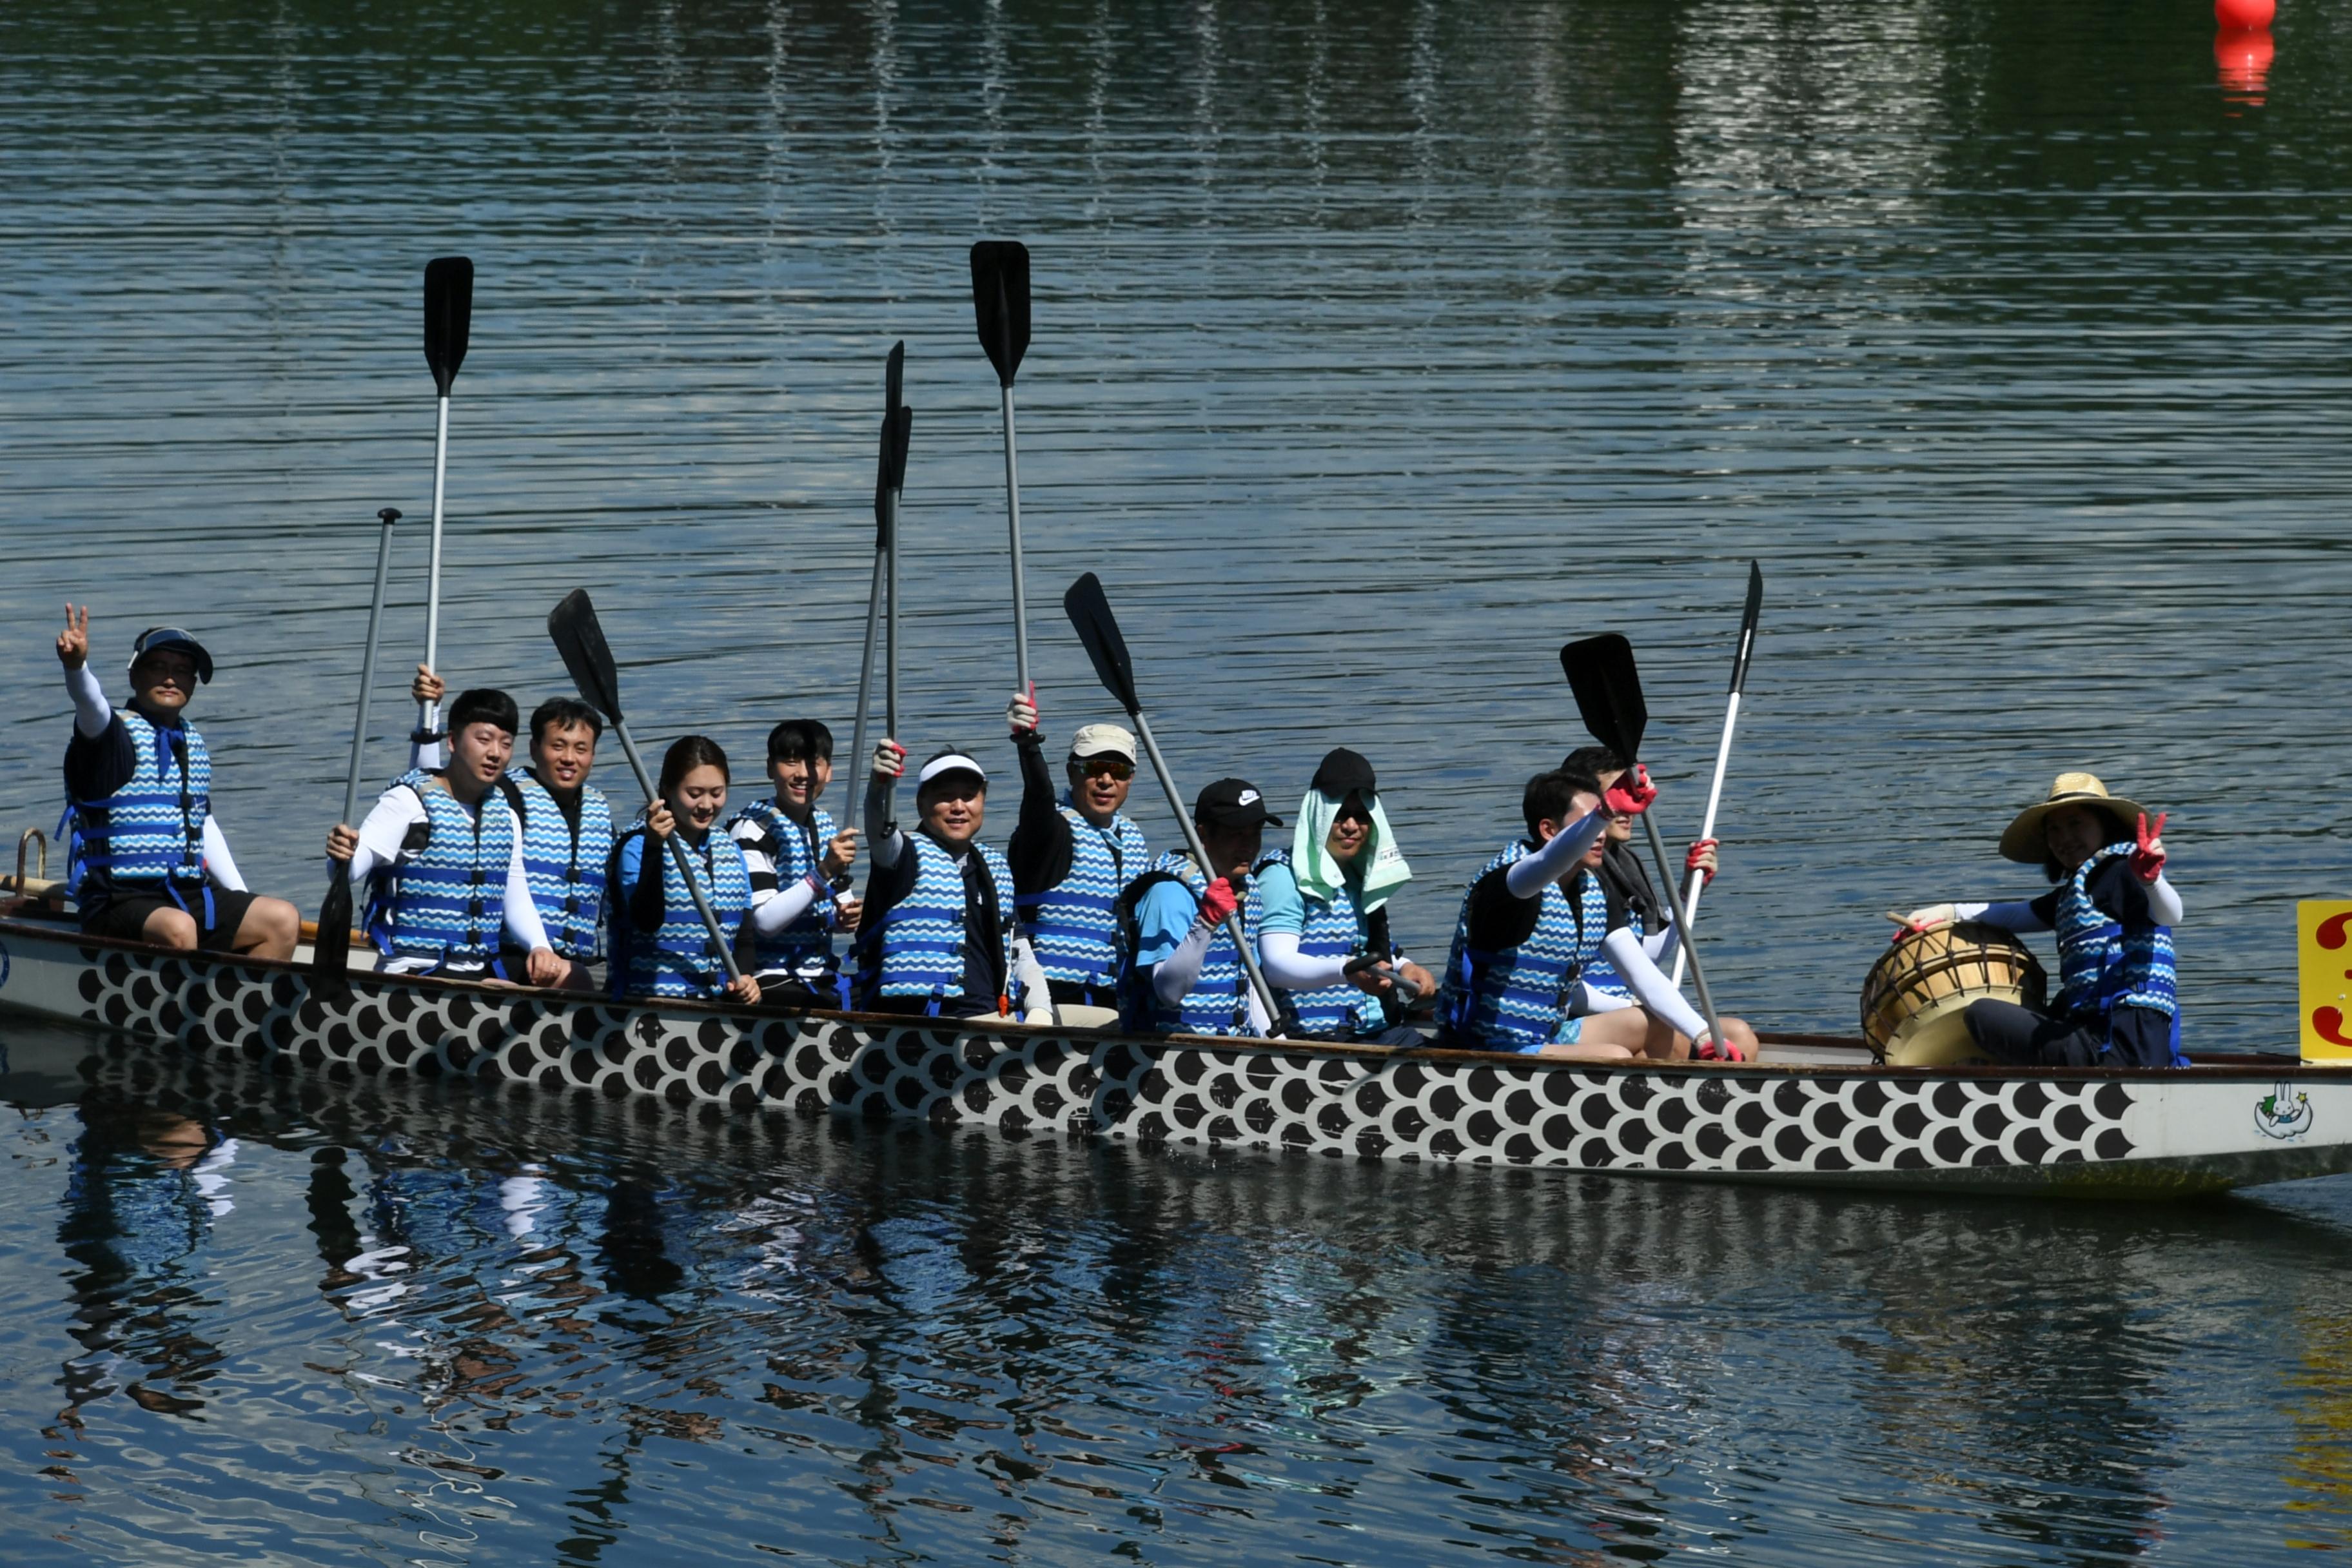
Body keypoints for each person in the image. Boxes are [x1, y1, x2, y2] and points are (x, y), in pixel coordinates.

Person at [1435, 769, 1751, 1061]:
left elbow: (1644, 975)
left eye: (1600, 824)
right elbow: (1546, 864)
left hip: (1551, 1032)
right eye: (1589, 826)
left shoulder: (1592, 889)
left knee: (1664, 1024)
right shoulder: (1509, 883)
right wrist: (1604, 813)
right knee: (1615, 1057)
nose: (1601, 835)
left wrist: (1703, 1036)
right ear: (1549, 830)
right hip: (1483, 1044)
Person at [54, 606, 299, 958]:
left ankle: (237, 1007)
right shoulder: (109, 738)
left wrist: (243, 896)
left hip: (187, 893)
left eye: (183, 671)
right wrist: (76, 668)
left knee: (282, 919)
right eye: (159, 668)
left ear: (193, 684)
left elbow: (203, 825)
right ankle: (180, 1011)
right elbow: (90, 705)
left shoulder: (191, 743)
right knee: (179, 928)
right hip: (115, 899)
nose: (171, 679)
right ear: (134, 676)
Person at [1901, 772, 2183, 1068]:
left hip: (2120, 1049)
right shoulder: (2077, 892)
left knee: (1980, 1014)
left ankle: (1990, 1070)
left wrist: (2151, 882)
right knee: (2060, 1002)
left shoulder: (2121, 872)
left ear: (2105, 826)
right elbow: (2017, 915)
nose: (2064, 838)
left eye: (2076, 824)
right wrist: (1947, 913)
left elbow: (2170, 915)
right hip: (2118, 1045)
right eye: (2054, 830)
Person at [324, 685, 564, 984]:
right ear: (452, 741)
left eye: (505, 744)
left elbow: (516, 899)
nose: (495, 754)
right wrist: (342, 854)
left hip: (478, 971)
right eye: (483, 740)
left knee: (569, 976)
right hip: (411, 976)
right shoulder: (407, 802)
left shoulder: (506, 817)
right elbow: (349, 871)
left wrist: (540, 946)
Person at [854, 740, 1048, 1021]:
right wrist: (878, 788)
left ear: (983, 801)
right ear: (922, 803)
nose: (958, 807)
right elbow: (878, 830)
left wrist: (1040, 1011)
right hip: (925, 1025)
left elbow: (1020, 952)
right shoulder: (903, 856)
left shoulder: (994, 866)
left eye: (969, 796)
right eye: (945, 796)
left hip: (992, 1018)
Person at [1254, 748, 1433, 1046]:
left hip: (1378, 1032)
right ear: (1320, 816)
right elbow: (1277, 966)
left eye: (1361, 816)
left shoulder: (1358, 875)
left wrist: (1406, 968)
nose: (1351, 825)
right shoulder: (1282, 876)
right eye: (1340, 814)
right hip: (1320, 1044)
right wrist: (1347, 971)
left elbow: (1365, 949)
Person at [1004, 689, 1150, 1025]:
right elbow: (1038, 798)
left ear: (1130, 779)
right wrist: (1029, 748)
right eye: (1094, 767)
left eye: (1119, 771)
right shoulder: (1049, 832)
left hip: (1115, 996)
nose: (1106, 780)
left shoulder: (1132, 836)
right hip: (1049, 997)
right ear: (1072, 773)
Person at [1560, 745, 1720, 1018]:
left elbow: (1645, 956)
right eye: (1617, 797)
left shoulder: (1626, 864)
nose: (1628, 808)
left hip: (1626, 1013)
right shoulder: (1568, 874)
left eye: (1631, 795)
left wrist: (1688, 892)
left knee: (1740, 1035)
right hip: (1583, 1016)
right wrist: (1632, 1009)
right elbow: (1558, 983)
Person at [1118, 779, 1280, 1038]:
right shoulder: (1168, 893)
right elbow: (1168, 993)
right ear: (1202, 835)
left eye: (1255, 833)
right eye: (1237, 834)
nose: (1248, 846)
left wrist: (1279, 1044)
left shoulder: (1248, 889)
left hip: (1236, 1044)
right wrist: (1205, 923)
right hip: (1171, 1051)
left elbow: (1248, 986)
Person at [608, 735, 761, 1004]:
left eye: (717, 793)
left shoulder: (730, 849)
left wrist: (746, 977)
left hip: (717, 1002)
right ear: (668, 789)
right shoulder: (636, 846)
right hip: (650, 1001)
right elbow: (646, 921)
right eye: (694, 794)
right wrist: (655, 846)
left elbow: (745, 935)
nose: (706, 805)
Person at [727, 719, 860, 1004]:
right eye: (790, 762)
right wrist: (823, 871)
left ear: (829, 772)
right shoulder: (751, 828)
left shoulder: (825, 825)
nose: (802, 774)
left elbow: (839, 908)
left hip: (820, 971)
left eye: (814, 763)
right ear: (770, 768)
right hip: (768, 977)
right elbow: (764, 922)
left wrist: (845, 918)